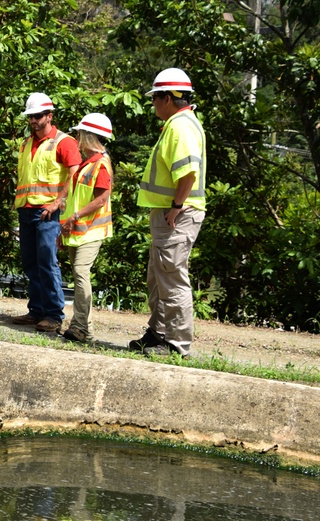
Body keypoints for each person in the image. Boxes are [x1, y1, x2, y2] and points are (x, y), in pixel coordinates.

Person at [128, 68, 206, 358]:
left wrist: (175, 208)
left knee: (172, 279)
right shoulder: (180, 123)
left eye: (155, 98)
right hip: (169, 214)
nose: (153, 104)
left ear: (169, 98)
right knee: (158, 277)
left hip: (177, 215)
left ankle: (177, 345)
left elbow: (188, 174)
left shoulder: (181, 127)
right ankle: (158, 334)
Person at [10, 92, 81, 333]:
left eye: (38, 116)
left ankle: (53, 314)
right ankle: (37, 310)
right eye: (31, 116)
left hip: (48, 212)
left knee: (47, 262)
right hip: (27, 209)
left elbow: (75, 175)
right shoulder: (26, 143)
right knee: (31, 262)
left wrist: (58, 202)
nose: (33, 120)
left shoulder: (64, 142)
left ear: (49, 116)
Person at [59, 114, 114, 343]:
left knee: (81, 274)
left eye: (80, 134)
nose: (77, 138)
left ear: (88, 137)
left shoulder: (100, 164)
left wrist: (76, 216)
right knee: (79, 274)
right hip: (78, 229)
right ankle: (84, 328)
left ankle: (80, 326)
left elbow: (101, 199)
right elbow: (75, 198)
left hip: (91, 230)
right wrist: (67, 223)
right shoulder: (86, 164)